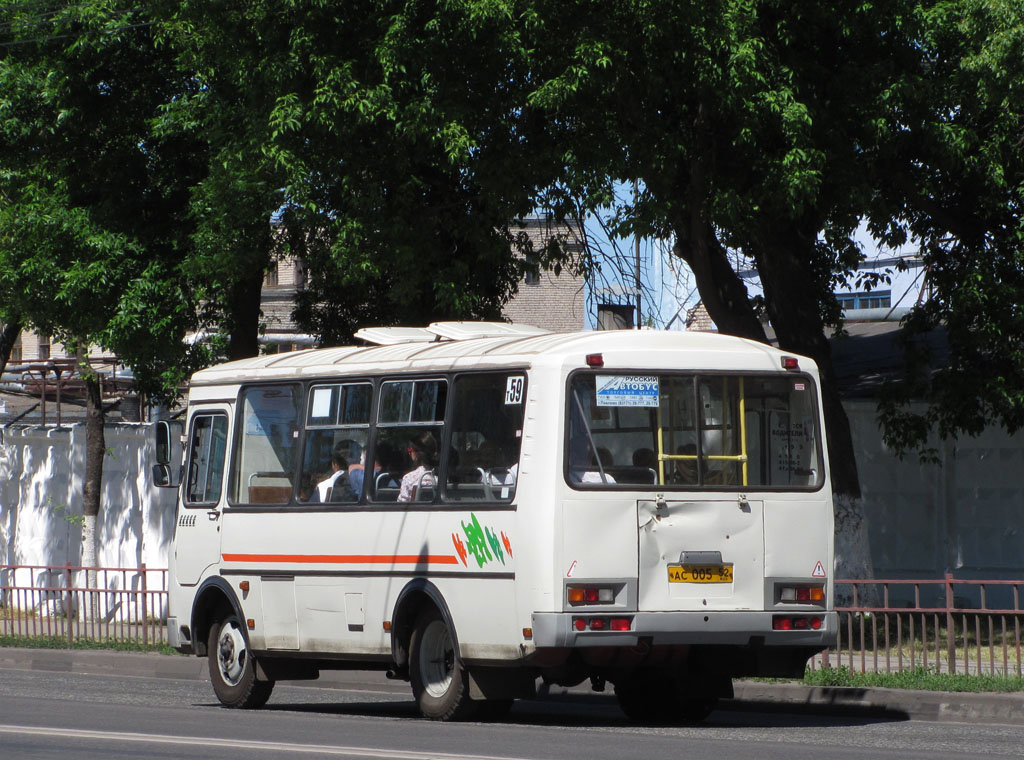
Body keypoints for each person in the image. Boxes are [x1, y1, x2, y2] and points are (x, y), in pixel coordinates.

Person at [398, 431, 438, 502]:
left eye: (410, 449)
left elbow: (402, 504)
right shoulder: (442, 478)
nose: (409, 452)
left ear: (417, 453)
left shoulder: (408, 478)